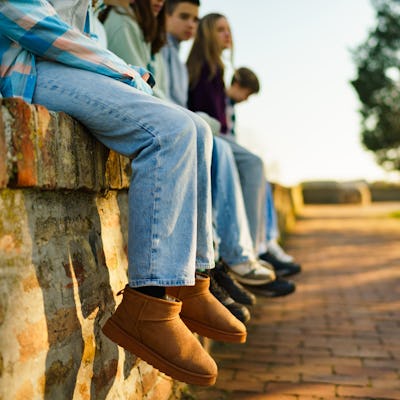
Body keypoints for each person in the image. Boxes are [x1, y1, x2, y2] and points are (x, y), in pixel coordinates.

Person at [0, 0, 247, 386]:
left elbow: (82, 36)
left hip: (59, 64)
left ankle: (191, 280)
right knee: (172, 132)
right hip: (27, 67)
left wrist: (116, 70)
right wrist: (119, 70)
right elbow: (21, 17)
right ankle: (147, 305)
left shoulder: (95, 11)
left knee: (197, 130)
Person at [102, 0, 277, 314]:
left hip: (163, 115)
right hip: (137, 112)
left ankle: (206, 268)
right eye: (184, 16)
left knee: (219, 145)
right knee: (212, 141)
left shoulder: (154, 40)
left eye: (195, 18)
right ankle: (190, 277)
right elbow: (139, 87)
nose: (191, 24)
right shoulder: (124, 22)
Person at [226, 67, 302, 279]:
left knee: (263, 181)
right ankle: (256, 248)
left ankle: (268, 241)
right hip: (225, 157)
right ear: (238, 85)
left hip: (232, 155)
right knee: (255, 167)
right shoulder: (218, 99)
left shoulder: (230, 106)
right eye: (247, 94)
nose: (246, 99)